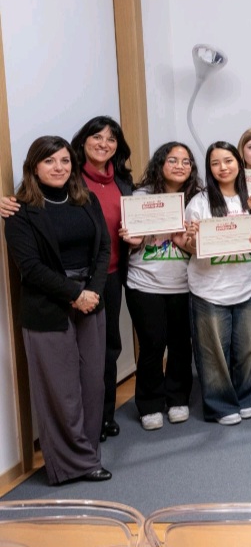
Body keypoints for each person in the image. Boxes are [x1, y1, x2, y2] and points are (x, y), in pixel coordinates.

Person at [4, 136, 112, 484]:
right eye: (50, 161)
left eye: (65, 161)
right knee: (60, 391)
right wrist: (73, 295)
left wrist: (92, 290)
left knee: (92, 384)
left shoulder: (86, 199)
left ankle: (88, 453)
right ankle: (71, 465)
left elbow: (102, 248)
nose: (59, 168)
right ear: (34, 166)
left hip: (91, 302)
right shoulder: (20, 211)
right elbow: (31, 268)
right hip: (48, 308)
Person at [183, 141, 251, 426]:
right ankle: (220, 405)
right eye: (215, 163)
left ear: (238, 163)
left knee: (248, 350)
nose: (223, 167)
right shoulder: (199, 202)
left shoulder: (250, 199)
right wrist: (193, 241)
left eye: (228, 161)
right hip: (209, 288)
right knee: (213, 353)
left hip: (245, 286)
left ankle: (247, 398)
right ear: (209, 168)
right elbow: (189, 246)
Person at [120, 142, 199, 431]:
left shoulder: (198, 199)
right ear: (160, 163)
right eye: (172, 160)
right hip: (145, 283)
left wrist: (192, 239)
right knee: (152, 345)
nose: (179, 165)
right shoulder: (140, 196)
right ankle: (150, 403)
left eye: (186, 161)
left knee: (180, 344)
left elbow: (201, 249)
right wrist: (133, 239)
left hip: (183, 283)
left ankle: (178, 398)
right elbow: (133, 241)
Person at [70, 116, 134, 442]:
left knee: (110, 348)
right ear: (83, 140)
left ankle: (105, 416)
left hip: (112, 275)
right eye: (97, 137)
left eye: (111, 139)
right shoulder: (70, 179)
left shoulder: (123, 181)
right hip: (80, 280)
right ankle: (83, 422)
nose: (103, 144)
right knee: (83, 352)